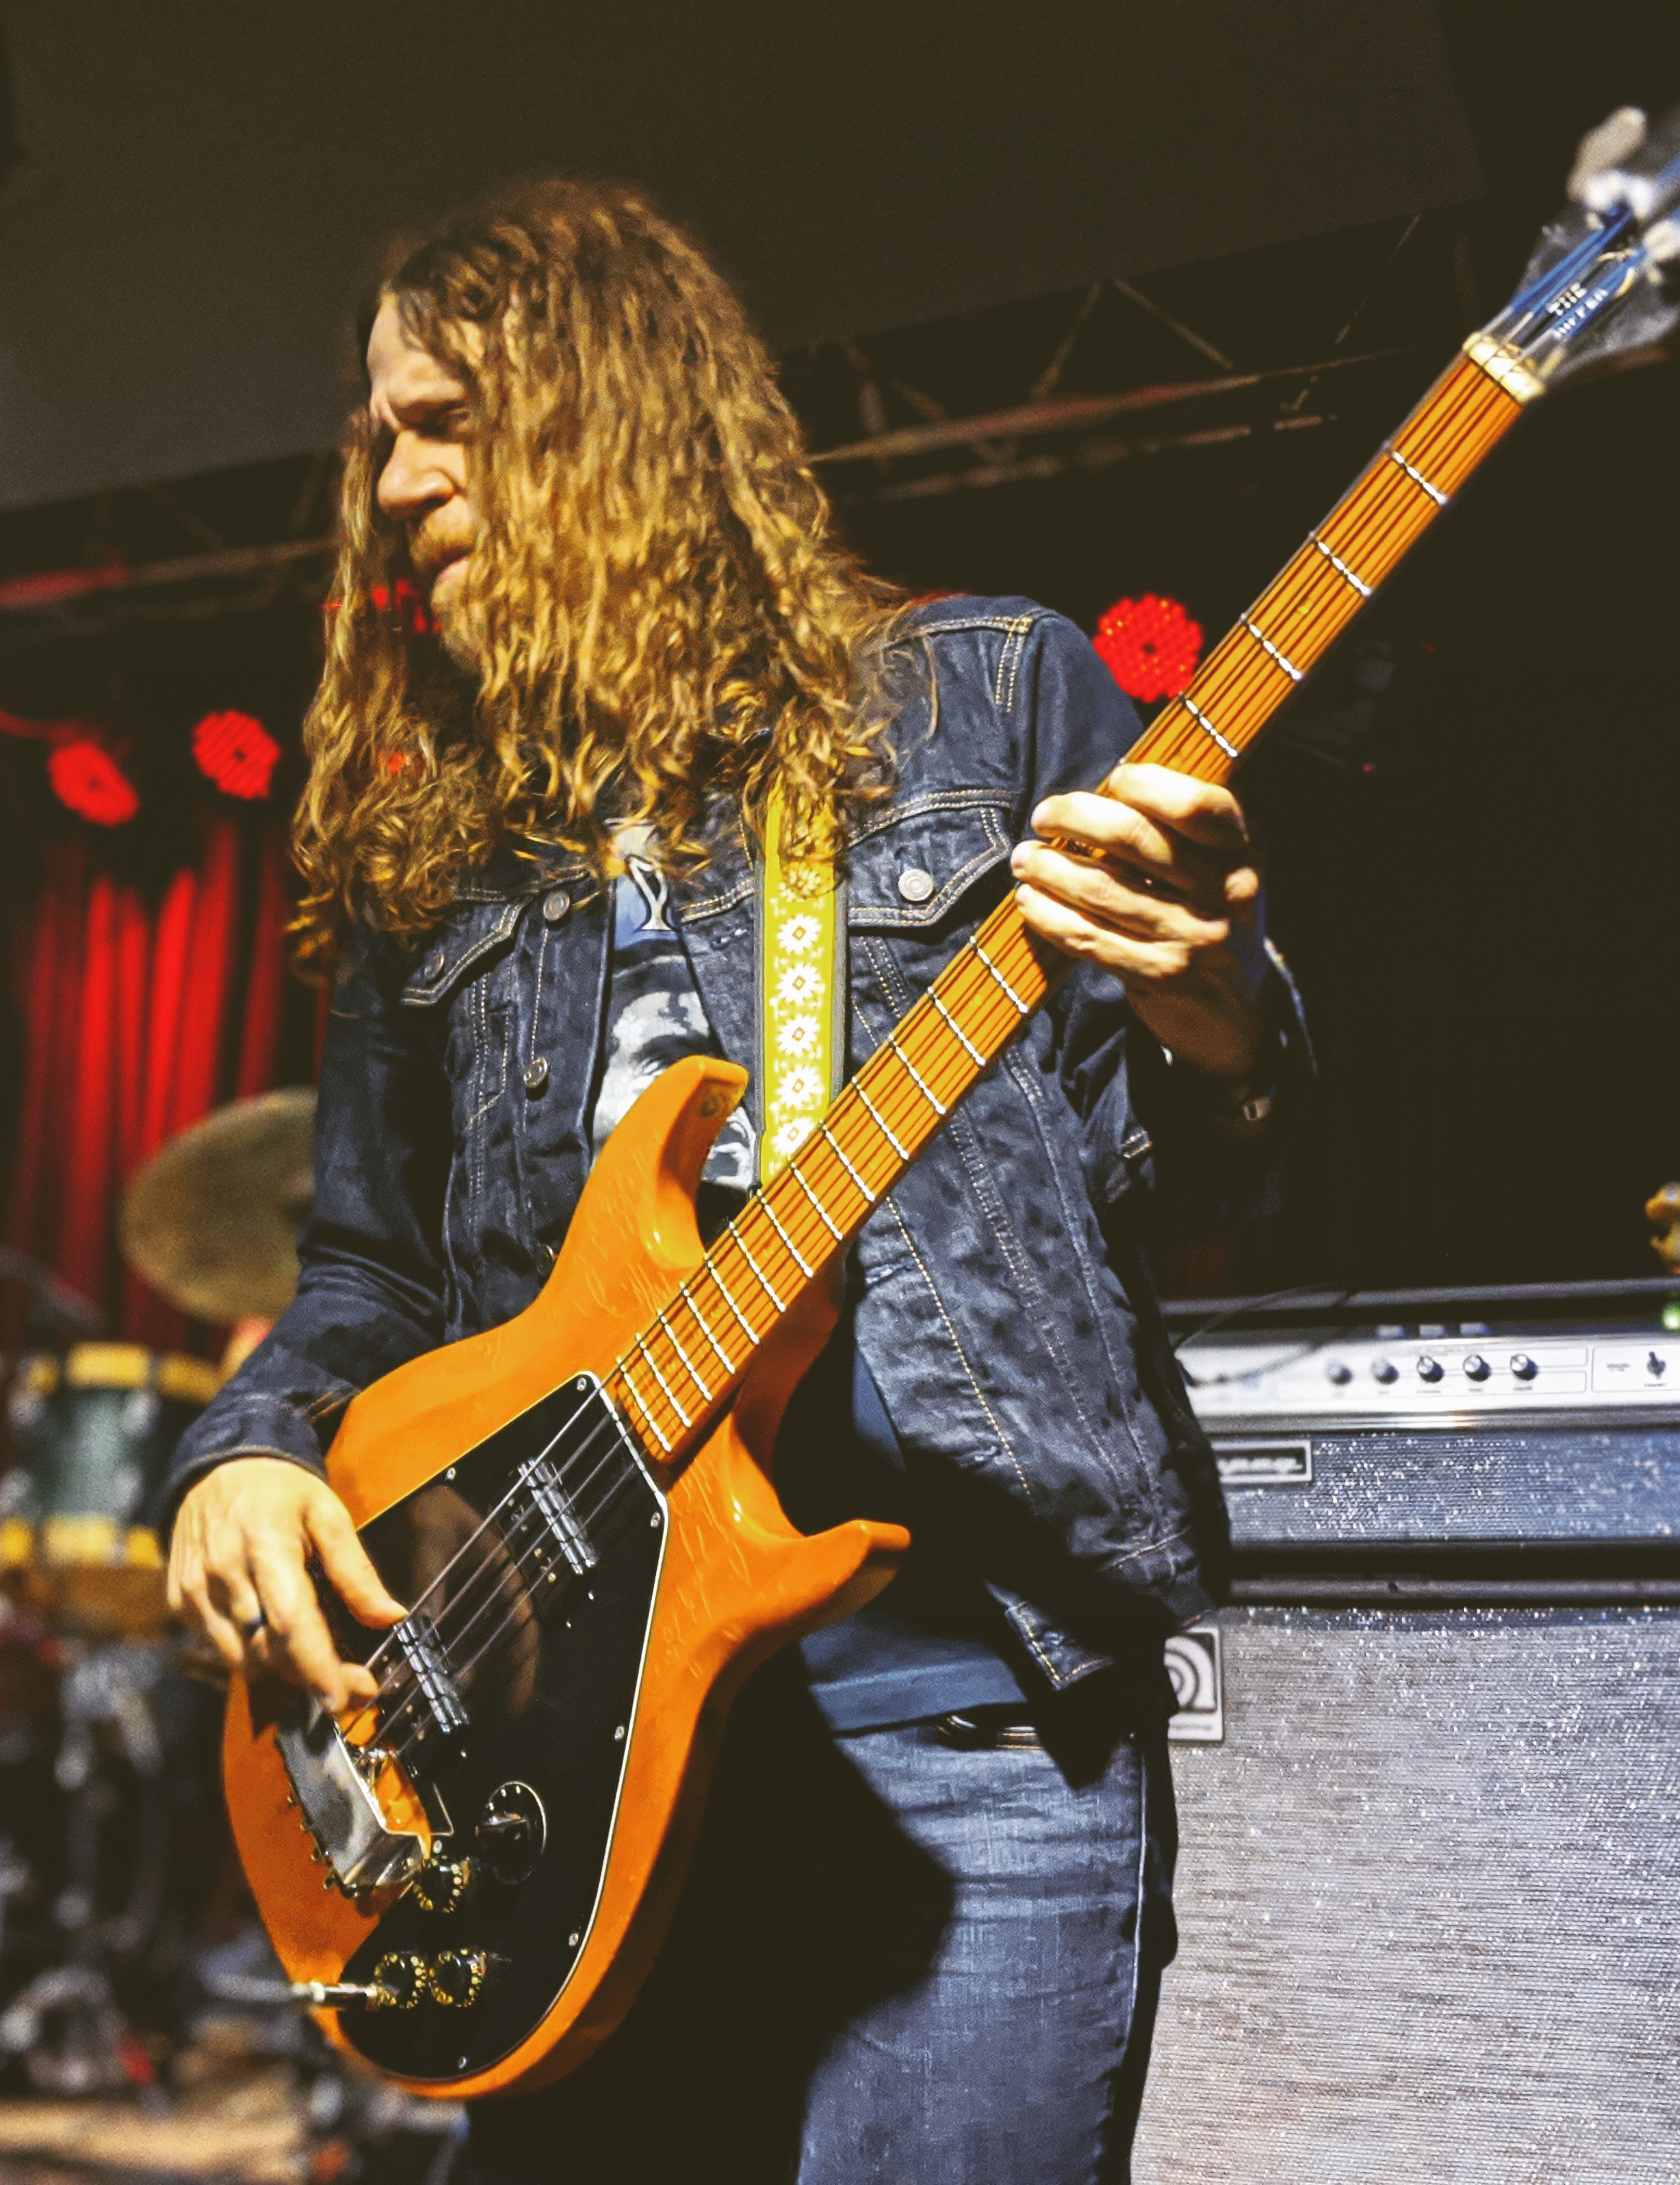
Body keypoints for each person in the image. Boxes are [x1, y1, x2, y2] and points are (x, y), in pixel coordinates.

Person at [165, 178, 1301, 2185]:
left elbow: (1215, 1181)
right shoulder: (438, 857)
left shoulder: (989, 699)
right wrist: (249, 1449)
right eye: (373, 433)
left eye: (443, 419)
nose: (389, 473)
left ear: (615, 408)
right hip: (562, 1763)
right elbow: (367, 1267)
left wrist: (1220, 1015)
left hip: (954, 1724)